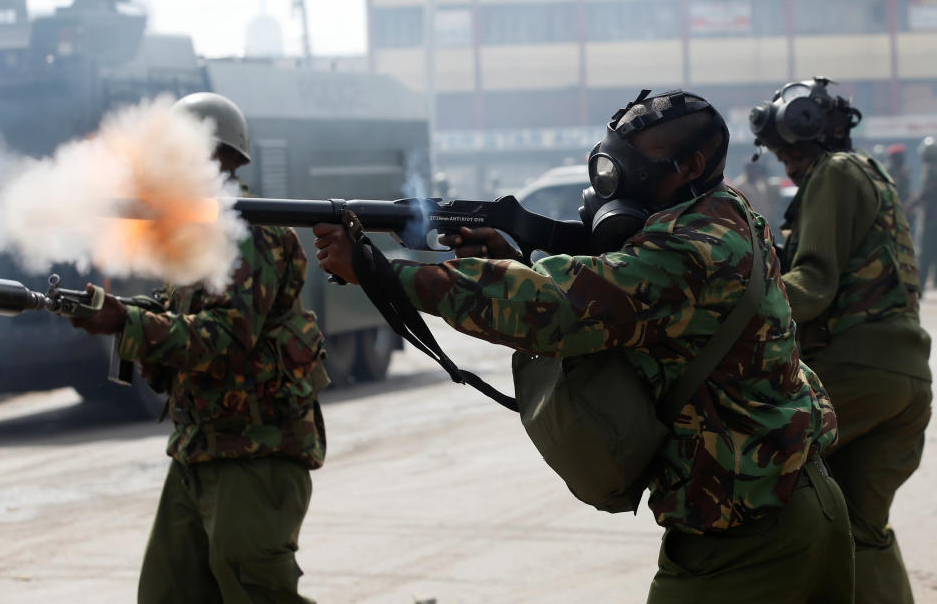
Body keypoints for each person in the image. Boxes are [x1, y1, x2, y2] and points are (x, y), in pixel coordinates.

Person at [315, 89, 853, 602]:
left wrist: (385, 275)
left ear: (690, 167)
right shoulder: (724, 210)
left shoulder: (691, 250)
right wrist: (517, 256)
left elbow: (557, 309)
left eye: (639, 164)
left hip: (747, 535)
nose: (618, 180)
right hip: (800, 503)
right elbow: (618, 293)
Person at [71, 92, 328, 604]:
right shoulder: (194, 227)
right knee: (167, 593)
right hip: (200, 448)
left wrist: (129, 322)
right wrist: (124, 312)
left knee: (257, 592)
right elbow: (182, 312)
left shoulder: (249, 232)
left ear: (222, 159)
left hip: (257, 450)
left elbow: (228, 337)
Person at [750, 77, 932, 604]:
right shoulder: (874, 176)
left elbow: (814, 283)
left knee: (750, 482)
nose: (787, 165)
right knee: (862, 532)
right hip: (906, 382)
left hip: (854, 371)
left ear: (810, 136)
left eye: (790, 154)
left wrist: (732, 299)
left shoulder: (834, 173)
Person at [909, 137, 937, 291]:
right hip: (931, 216)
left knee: (925, 253)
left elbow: (927, 192)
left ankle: (920, 287)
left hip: (930, 218)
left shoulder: (931, 170)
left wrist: (910, 204)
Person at [728, 158, 783, 230]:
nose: (755, 171)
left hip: (763, 220)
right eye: (753, 169)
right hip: (748, 223)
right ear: (748, 170)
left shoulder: (760, 183)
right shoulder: (739, 185)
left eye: (756, 169)